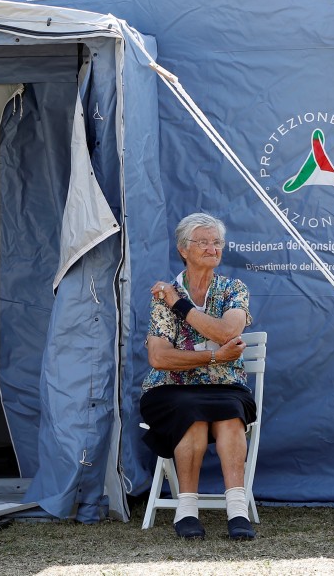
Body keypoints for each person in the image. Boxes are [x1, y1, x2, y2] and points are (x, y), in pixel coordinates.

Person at [141, 212, 257, 540]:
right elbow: (158, 357)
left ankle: (237, 510)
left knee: (231, 414)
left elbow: (227, 331)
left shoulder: (233, 289)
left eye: (216, 242)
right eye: (202, 242)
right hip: (169, 390)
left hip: (225, 386)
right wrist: (214, 357)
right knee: (190, 413)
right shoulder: (161, 295)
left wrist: (179, 304)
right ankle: (187, 510)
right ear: (183, 249)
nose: (211, 248)